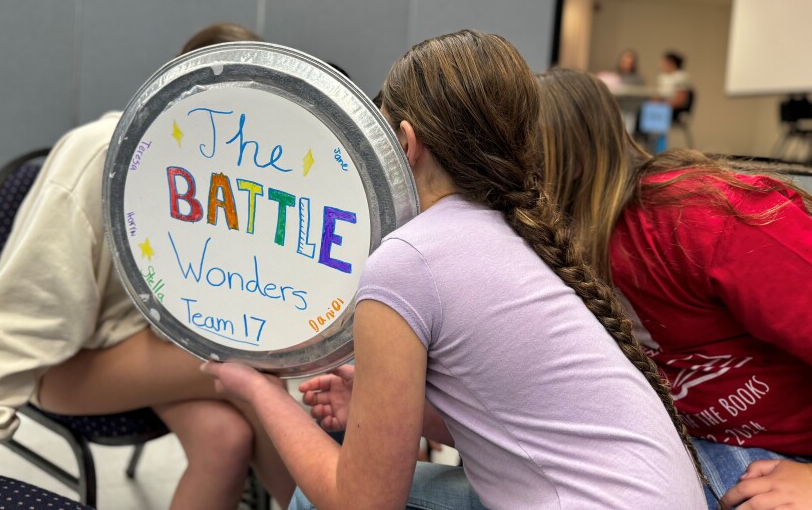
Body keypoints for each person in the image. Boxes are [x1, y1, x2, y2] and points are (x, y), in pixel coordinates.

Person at [203, 30, 706, 509]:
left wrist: (260, 391)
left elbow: (361, 503)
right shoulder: (523, 234)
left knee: (317, 498)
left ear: (403, 142)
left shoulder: (409, 260)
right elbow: (517, 427)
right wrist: (396, 416)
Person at [0, 22, 295, 509]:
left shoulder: (243, 173)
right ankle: (331, 500)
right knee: (256, 369)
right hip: (66, 362)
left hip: (156, 345)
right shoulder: (100, 158)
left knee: (224, 440)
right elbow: (19, 317)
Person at [536, 67, 812, 509]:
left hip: (784, 456)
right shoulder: (567, 246)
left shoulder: (696, 216)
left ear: (567, 164)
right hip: (694, 442)